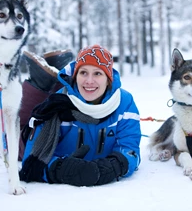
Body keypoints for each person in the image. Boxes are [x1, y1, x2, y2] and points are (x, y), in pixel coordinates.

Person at [18, 44, 141, 186]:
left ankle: (50, 76)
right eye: (83, 73)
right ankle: (39, 83)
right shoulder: (56, 105)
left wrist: (113, 166)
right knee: (14, 141)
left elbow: (130, 149)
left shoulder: (124, 103)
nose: (89, 80)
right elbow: (31, 160)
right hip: (26, 138)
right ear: (76, 76)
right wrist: (61, 169)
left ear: (108, 79)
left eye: (97, 73)